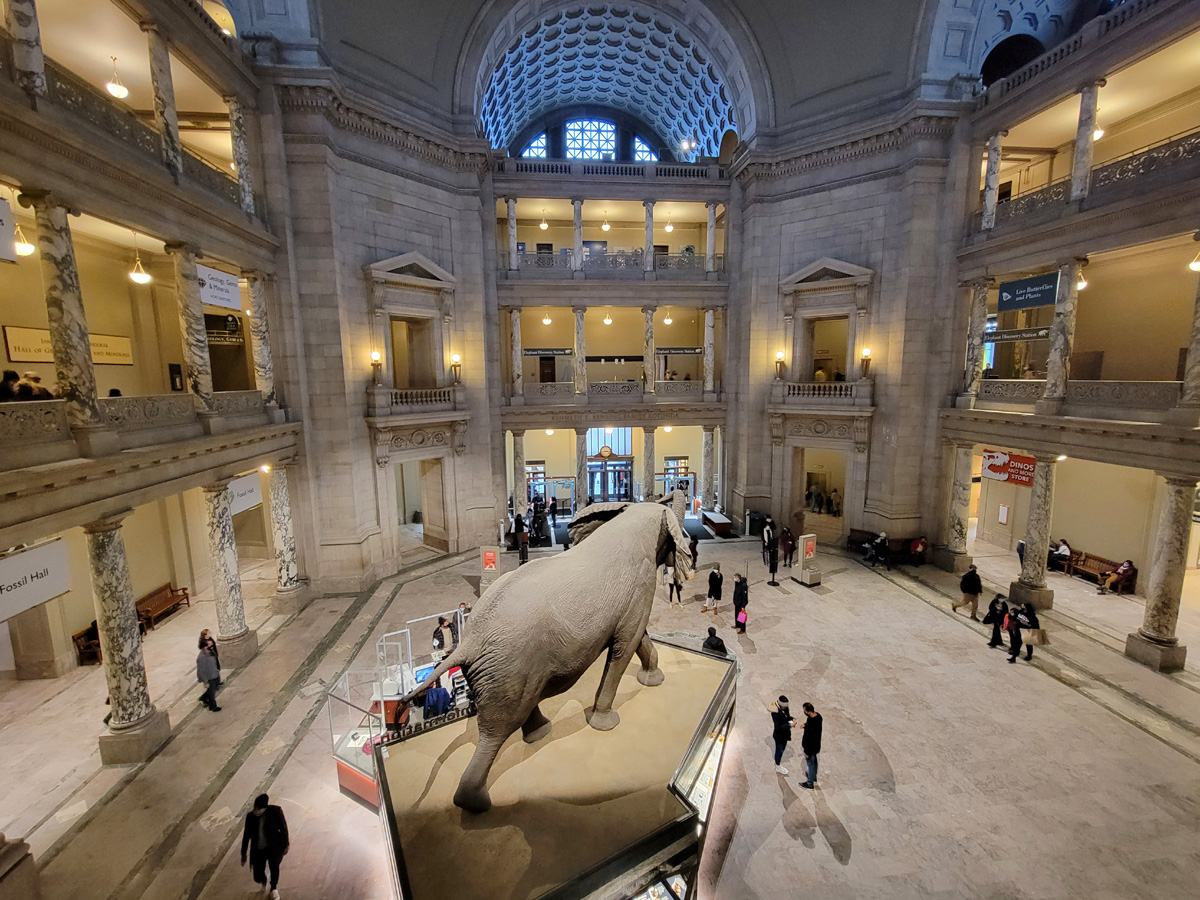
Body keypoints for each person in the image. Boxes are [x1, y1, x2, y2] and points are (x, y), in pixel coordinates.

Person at [240, 793, 289, 899]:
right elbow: (246, 836)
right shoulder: (251, 817)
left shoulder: (275, 812)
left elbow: (283, 828)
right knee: (257, 875)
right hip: (259, 849)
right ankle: (263, 879)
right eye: (255, 808)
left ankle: (273, 888)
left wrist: (286, 844)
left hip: (273, 847)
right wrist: (243, 854)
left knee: (274, 866)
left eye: (258, 808)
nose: (256, 810)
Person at [770, 695, 796, 775]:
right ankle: (777, 766)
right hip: (779, 735)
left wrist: (792, 719)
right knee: (779, 750)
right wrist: (789, 725)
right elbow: (778, 727)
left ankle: (778, 763)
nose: (785, 708)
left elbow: (786, 716)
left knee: (782, 748)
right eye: (784, 707)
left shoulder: (785, 708)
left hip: (785, 734)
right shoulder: (775, 712)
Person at [799, 702, 822, 789]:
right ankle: (813, 776)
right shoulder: (818, 717)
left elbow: (810, 736)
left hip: (810, 747)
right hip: (816, 746)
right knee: (814, 761)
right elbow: (810, 726)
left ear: (808, 711)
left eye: (805, 711)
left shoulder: (812, 723)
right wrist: (805, 725)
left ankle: (809, 783)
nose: (804, 712)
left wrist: (806, 750)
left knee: (810, 763)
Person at [196, 644, 221, 712]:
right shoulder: (201, 657)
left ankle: (203, 698)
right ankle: (212, 706)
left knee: (214, 687)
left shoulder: (211, 652)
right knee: (211, 691)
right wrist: (204, 680)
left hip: (215, 673)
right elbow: (200, 670)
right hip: (209, 677)